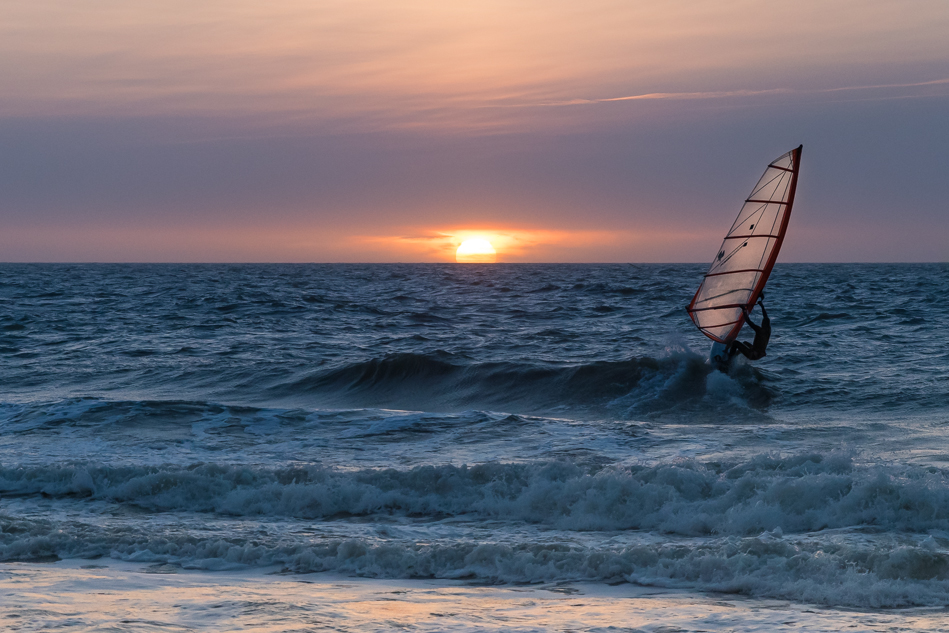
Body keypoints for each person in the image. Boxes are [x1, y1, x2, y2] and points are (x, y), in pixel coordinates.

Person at [727, 294, 771, 361]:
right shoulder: (768, 331)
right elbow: (765, 317)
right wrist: (762, 306)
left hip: (753, 354)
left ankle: (729, 360)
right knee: (745, 343)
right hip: (758, 353)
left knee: (735, 343)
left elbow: (748, 321)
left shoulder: (759, 330)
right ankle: (734, 355)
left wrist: (743, 310)